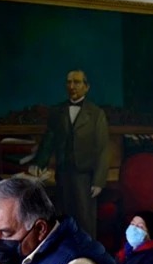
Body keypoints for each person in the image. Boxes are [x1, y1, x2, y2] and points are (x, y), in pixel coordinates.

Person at [28, 69, 110, 239]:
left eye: (77, 82)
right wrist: (39, 163)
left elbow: (103, 149)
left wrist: (99, 181)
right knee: (63, 218)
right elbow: (49, 140)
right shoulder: (57, 112)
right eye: (69, 82)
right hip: (63, 174)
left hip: (85, 177)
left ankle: (87, 253)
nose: (72, 86)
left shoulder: (96, 114)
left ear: (86, 87)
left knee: (85, 221)